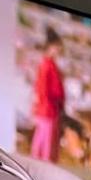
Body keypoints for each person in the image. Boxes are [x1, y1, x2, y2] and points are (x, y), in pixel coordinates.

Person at [30, 28, 65, 162]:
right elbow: (43, 89)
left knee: (42, 139)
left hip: (49, 108)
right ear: (51, 46)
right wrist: (47, 106)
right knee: (46, 142)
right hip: (47, 108)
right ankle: (43, 166)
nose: (59, 49)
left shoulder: (50, 64)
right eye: (57, 46)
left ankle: (37, 164)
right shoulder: (46, 65)